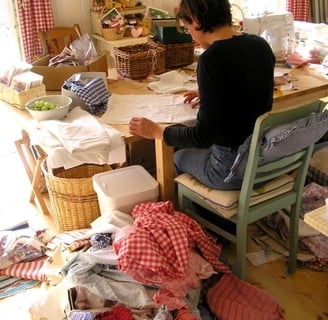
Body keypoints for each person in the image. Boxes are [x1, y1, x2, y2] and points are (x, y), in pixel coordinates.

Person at [128, 0, 275, 190]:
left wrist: (157, 131)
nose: (191, 35)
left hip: (231, 170)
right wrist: (210, 91)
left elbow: (202, 137)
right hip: (266, 160)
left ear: (196, 20)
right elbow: (250, 84)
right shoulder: (259, 44)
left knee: (178, 156)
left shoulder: (211, 59)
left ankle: (199, 214)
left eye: (188, 27)